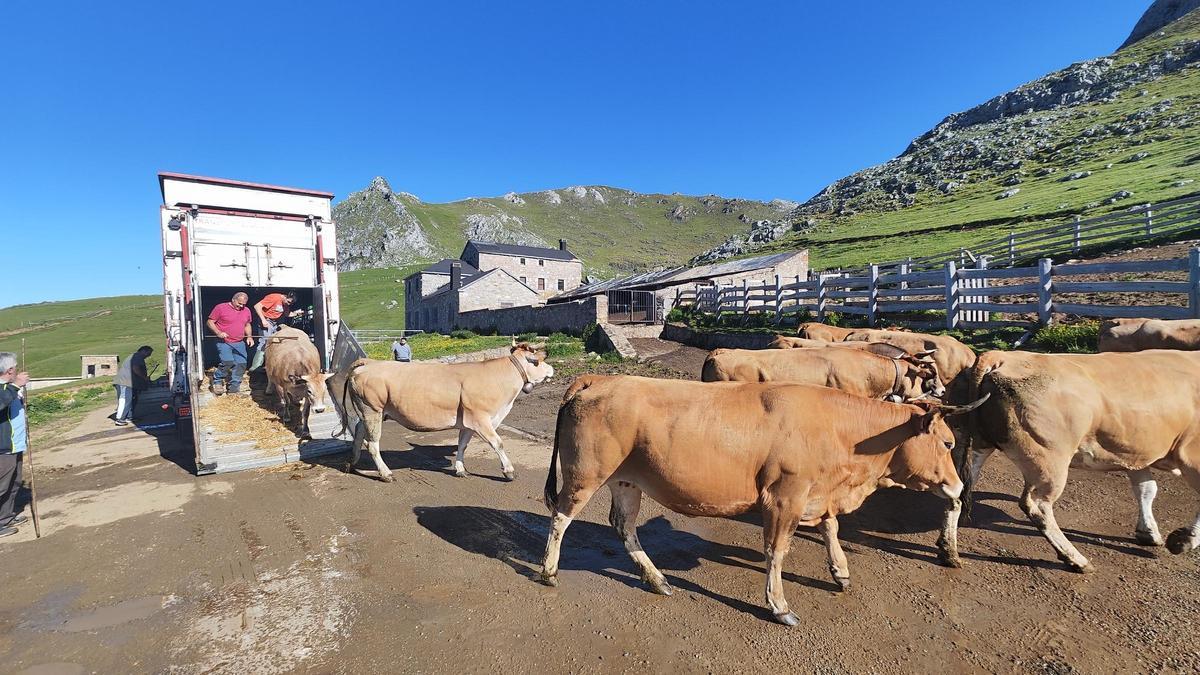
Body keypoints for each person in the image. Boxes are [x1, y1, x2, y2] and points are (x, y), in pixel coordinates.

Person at [0, 352, 29, 538]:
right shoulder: (3, 389)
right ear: (10, 370)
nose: (17, 369)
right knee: (2, 486)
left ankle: (6, 517)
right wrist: (17, 385)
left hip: (15, 445)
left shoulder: (8, 388)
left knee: (14, 483)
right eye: (15, 366)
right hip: (3, 448)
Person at [206, 292, 254, 395]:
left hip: (239, 342)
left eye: (244, 304)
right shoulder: (220, 308)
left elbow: (247, 324)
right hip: (224, 342)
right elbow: (210, 322)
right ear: (233, 300)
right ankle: (217, 381)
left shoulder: (246, 310)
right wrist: (218, 332)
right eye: (239, 303)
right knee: (228, 362)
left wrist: (249, 337)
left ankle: (234, 388)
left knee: (241, 364)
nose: (241, 306)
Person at [250, 290, 296, 370]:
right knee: (265, 341)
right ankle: (256, 366)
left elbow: (287, 314)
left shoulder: (286, 304)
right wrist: (263, 320)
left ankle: (272, 364)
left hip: (276, 322)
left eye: (290, 303)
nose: (288, 304)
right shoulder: (274, 297)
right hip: (267, 320)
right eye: (288, 302)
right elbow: (257, 306)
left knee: (276, 341)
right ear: (285, 296)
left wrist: (297, 313)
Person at [112, 345, 153, 426]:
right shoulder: (137, 356)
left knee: (132, 399)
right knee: (125, 400)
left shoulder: (136, 357)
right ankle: (120, 419)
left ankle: (129, 417)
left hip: (128, 382)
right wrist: (144, 378)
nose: (149, 355)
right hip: (125, 382)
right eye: (149, 353)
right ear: (143, 351)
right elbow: (135, 369)